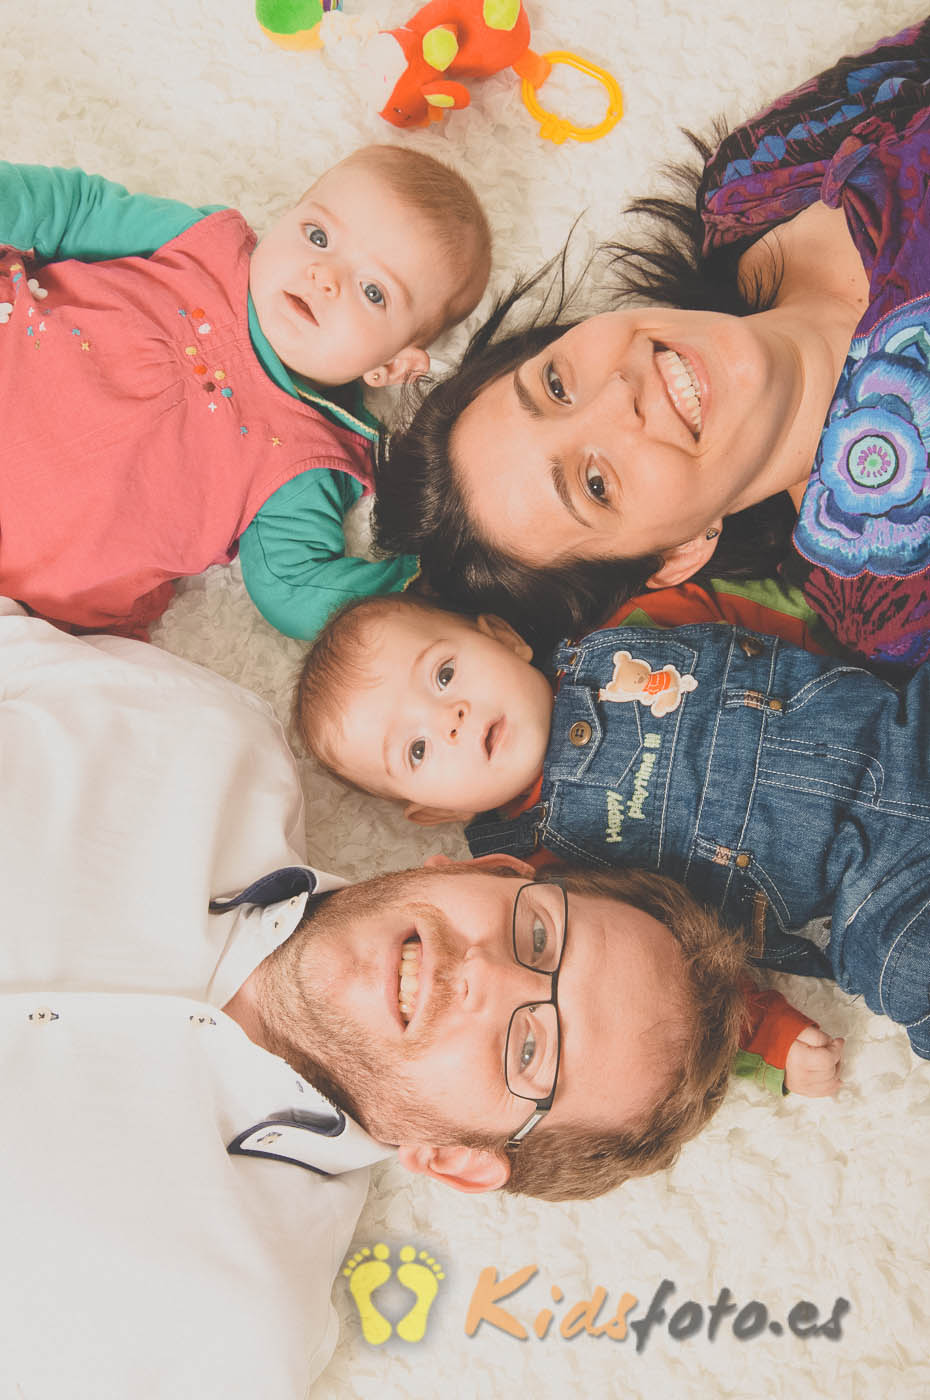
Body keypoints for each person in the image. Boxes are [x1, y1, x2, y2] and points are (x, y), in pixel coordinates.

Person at [0, 595, 755, 1397]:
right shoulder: (196, 735)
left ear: (459, 1162)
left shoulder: (229, 1331)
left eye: (532, 1050)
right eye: (539, 938)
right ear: (480, 871)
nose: (486, 976)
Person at [373, 20, 930, 673]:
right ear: (681, 553)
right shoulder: (889, 593)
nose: (617, 396)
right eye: (596, 483)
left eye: (555, 386)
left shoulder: (755, 178)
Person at [295, 586, 930, 1065]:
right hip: (865, 896)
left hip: (893, 726)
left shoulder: (631, 627)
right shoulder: (540, 882)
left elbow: (754, 617)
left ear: (503, 636)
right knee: (909, 973)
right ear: (439, 812)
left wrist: (865, 635)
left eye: (443, 674)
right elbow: (673, 963)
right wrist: (768, 1032)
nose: (450, 717)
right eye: (416, 750)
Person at [0, 145, 490, 639]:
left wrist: (427, 590)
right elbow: (73, 208)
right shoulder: (201, 246)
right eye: (318, 237)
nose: (325, 278)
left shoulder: (309, 456)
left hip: (28, 591)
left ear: (392, 366)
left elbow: (293, 586)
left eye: (373, 292)